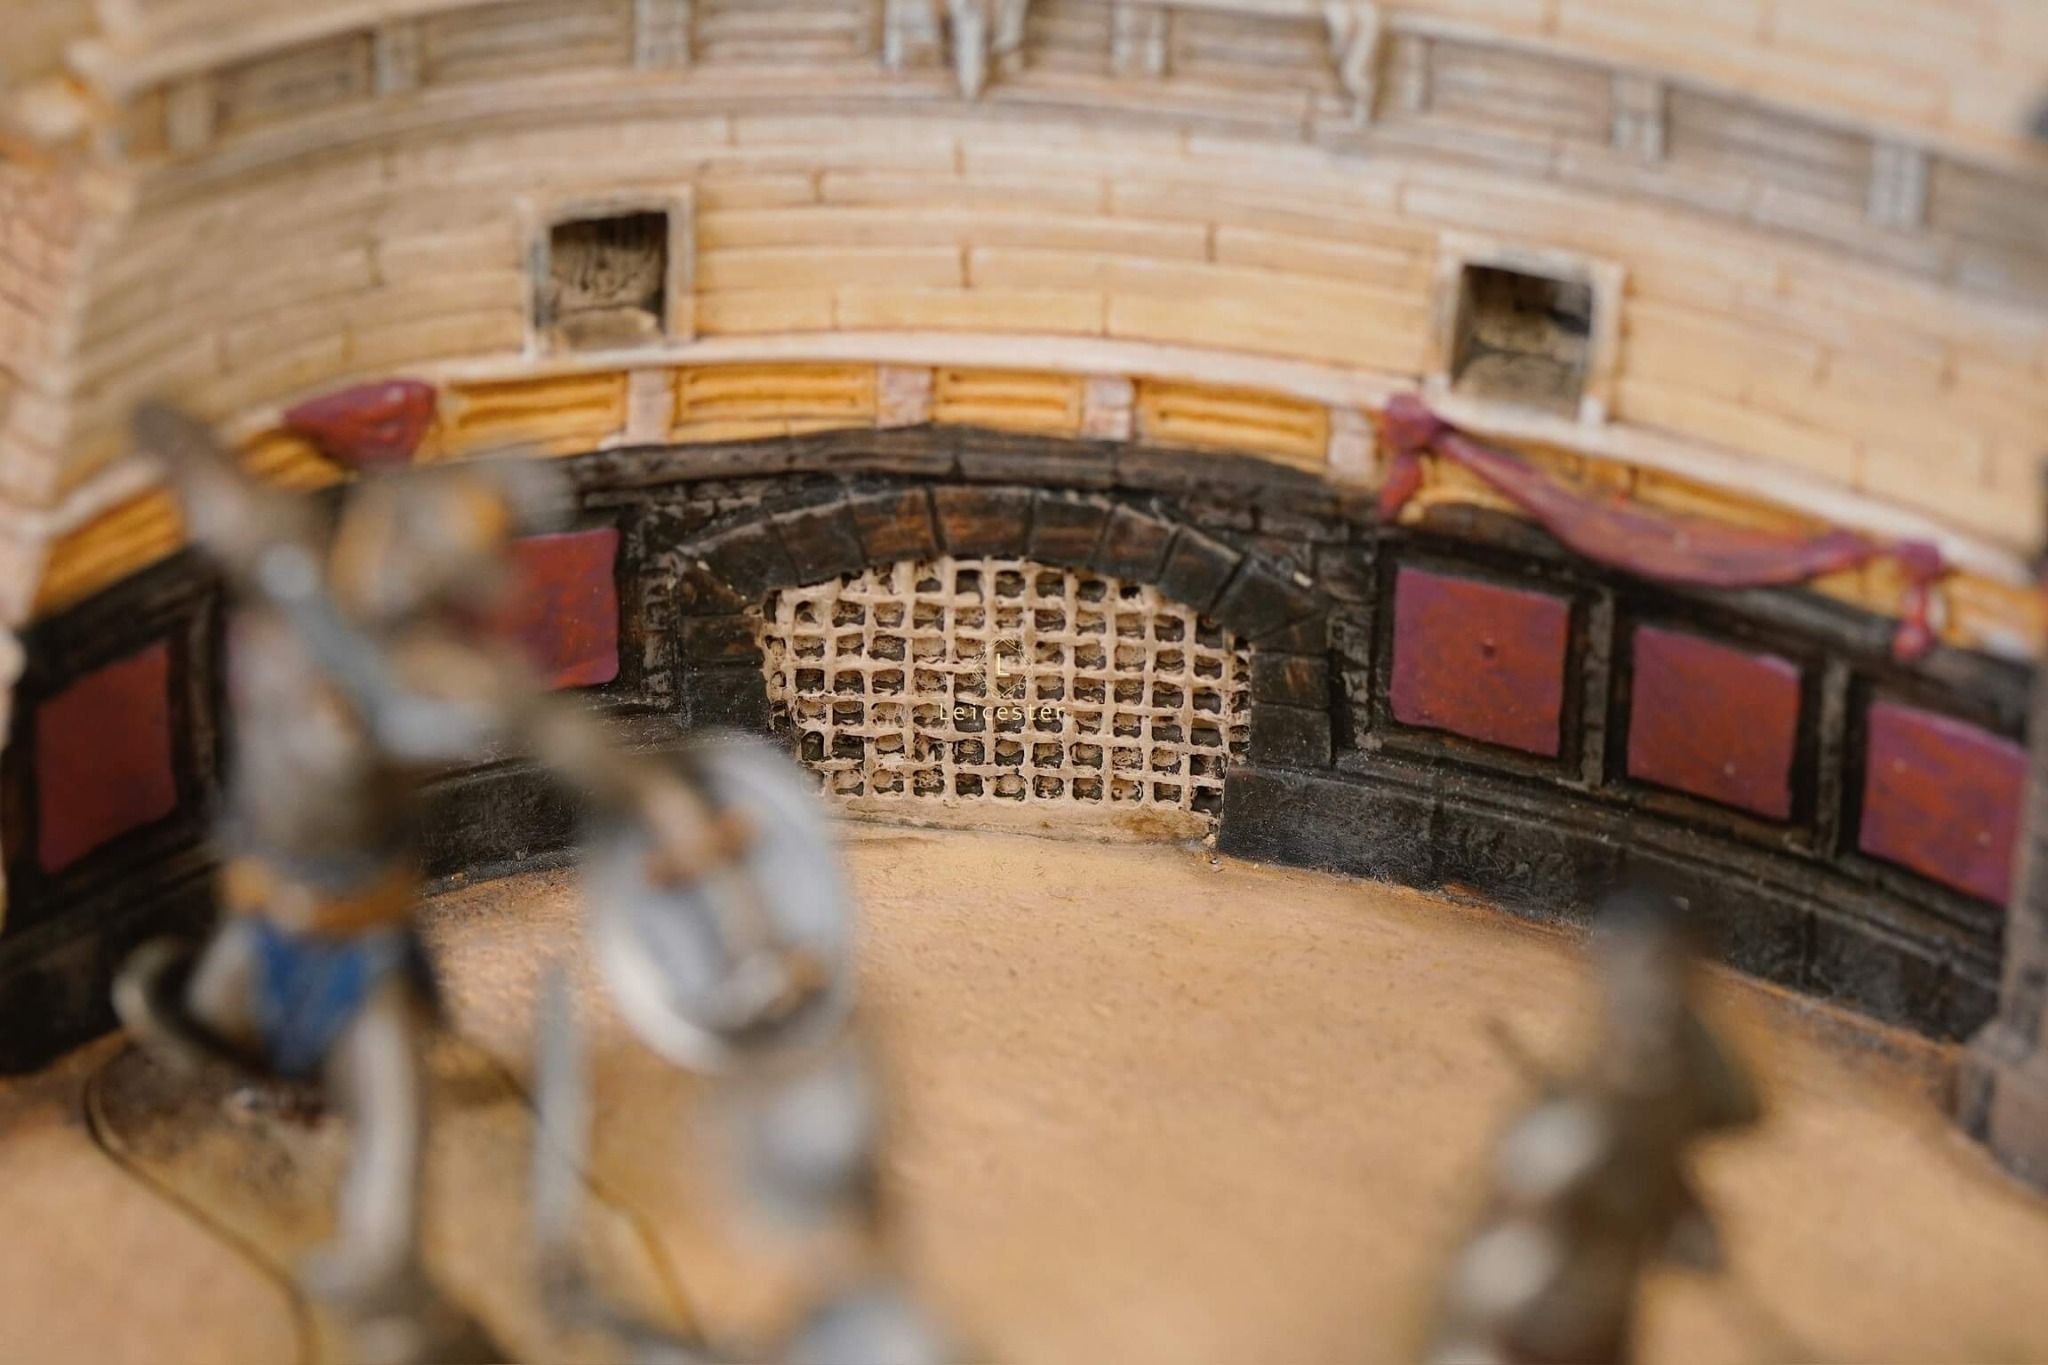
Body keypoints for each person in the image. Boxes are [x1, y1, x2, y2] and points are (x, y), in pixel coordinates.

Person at [114, 402, 822, 1362]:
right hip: (254, 909)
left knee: (392, 1115)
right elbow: (199, 466)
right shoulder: (284, 564)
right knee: (200, 1023)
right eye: (416, 537)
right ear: (386, 516)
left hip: (357, 932)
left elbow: (577, 747)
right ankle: (270, 1070)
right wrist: (153, 425)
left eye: (442, 560)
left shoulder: (444, 679)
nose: (412, 568)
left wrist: (675, 811)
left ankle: (392, 1301)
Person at [1428, 885, 1762, 1365]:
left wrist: (1678, 1205)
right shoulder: (1565, 1143)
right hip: (1545, 1297)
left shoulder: (1680, 1070)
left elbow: (1735, 1112)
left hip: (1598, 1293)